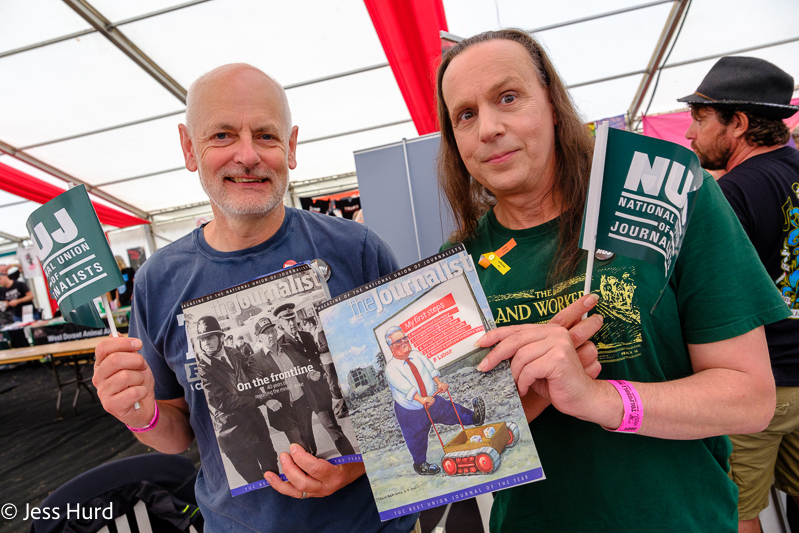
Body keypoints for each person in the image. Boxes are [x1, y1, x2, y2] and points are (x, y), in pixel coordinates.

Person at [435, 29, 789, 532]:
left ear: (554, 107)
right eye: (465, 115)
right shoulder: (455, 265)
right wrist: (526, 402)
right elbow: (455, 445)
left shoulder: (671, 199)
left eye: (508, 98)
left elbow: (750, 398)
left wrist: (600, 400)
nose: (488, 127)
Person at [92, 63, 415, 532]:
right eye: (222, 135)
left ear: (291, 146)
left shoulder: (357, 251)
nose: (247, 156)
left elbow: (409, 383)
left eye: (265, 136)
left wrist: (358, 463)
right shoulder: (158, 280)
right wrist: (138, 414)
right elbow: (178, 431)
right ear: (188, 148)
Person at [681, 56, 799, 533]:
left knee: (738, 511)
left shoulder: (729, 196)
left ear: (739, 124)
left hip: (762, 387)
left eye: (700, 117)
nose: (690, 133)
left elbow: (708, 300)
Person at [384, 326, 485, 475]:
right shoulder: (391, 368)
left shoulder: (417, 355)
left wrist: (439, 383)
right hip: (410, 411)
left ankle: (474, 418)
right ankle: (420, 464)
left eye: (405, 338)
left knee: (451, 411)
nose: (405, 342)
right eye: (399, 341)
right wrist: (421, 399)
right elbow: (406, 388)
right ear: (392, 347)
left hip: (432, 400)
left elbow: (430, 369)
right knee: (416, 437)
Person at [194, 315, 278, 483]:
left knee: (273, 469)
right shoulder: (202, 369)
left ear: (221, 337)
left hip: (256, 424)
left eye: (210, 337)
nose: (206, 343)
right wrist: (260, 400)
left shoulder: (234, 353)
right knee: (255, 481)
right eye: (202, 339)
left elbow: (251, 376)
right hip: (233, 434)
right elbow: (222, 402)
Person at [275, 303, 355, 457]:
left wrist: (321, 374)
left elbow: (316, 360)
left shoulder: (306, 336)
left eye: (292, 318)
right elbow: (287, 373)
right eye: (287, 321)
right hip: (301, 398)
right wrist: (306, 375)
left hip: (318, 393)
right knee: (306, 438)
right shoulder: (281, 345)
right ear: (281, 323)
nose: (291, 323)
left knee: (332, 427)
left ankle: (352, 457)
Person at [249, 316, 315, 454]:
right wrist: (267, 400)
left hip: (302, 403)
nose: (271, 335)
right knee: (300, 446)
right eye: (266, 333)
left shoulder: (288, 348)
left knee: (308, 440)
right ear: (259, 338)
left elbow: (302, 368)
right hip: (284, 410)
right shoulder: (256, 359)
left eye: (272, 331)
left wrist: (309, 374)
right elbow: (255, 386)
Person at [302, 314, 348, 417]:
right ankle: (342, 406)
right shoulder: (313, 334)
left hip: (328, 362)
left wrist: (316, 351)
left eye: (305, 324)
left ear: (310, 324)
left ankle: (342, 408)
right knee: (332, 385)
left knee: (332, 385)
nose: (304, 327)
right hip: (325, 362)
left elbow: (326, 345)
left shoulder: (319, 333)